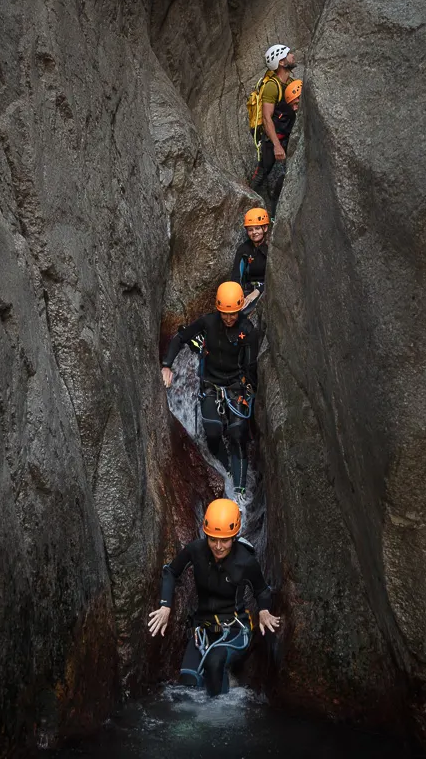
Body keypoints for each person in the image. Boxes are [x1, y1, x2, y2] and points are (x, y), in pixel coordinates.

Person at [148, 498, 280, 696]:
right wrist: (165, 606)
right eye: (212, 539)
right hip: (202, 630)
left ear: (234, 537)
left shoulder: (245, 561)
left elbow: (261, 590)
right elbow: (170, 572)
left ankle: (221, 717)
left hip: (234, 630)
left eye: (224, 540)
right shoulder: (196, 550)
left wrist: (264, 610)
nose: (218, 546)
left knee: (214, 663)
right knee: (187, 685)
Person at [161, 282, 258, 498]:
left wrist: (250, 389)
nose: (229, 318)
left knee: (237, 432)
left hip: (236, 384)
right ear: (218, 309)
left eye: (233, 314)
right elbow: (181, 337)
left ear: (240, 309)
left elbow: (251, 364)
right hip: (211, 383)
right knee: (213, 431)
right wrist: (167, 365)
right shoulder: (208, 322)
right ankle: (228, 469)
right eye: (225, 313)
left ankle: (241, 489)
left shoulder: (246, 330)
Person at [250, 45, 298, 215]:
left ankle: (277, 214)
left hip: (288, 137)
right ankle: (249, 207)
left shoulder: (292, 84)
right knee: (262, 174)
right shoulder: (272, 86)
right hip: (274, 140)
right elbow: (266, 118)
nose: (293, 56)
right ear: (281, 61)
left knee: (282, 178)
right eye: (289, 54)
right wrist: (277, 146)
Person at [231, 208, 270, 309]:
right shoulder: (244, 250)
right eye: (250, 230)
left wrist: (258, 291)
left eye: (257, 228)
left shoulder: (271, 248)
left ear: (265, 228)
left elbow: (277, 276)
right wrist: (237, 295)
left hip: (267, 289)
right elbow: (236, 276)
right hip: (248, 290)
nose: (254, 232)